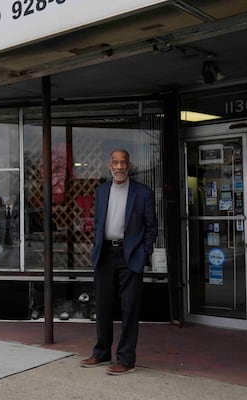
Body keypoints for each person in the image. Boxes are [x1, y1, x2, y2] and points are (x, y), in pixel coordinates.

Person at [80, 149, 157, 375]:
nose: (120, 166)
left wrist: (144, 252)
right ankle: (102, 352)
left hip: (130, 255)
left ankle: (125, 359)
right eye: (116, 162)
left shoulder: (143, 193)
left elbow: (151, 228)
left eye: (123, 162)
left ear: (129, 165)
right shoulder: (102, 191)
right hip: (105, 254)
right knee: (102, 305)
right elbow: (97, 222)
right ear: (109, 165)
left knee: (129, 308)